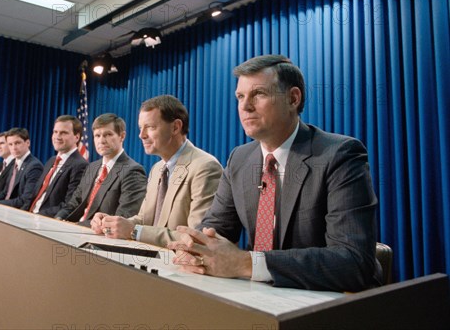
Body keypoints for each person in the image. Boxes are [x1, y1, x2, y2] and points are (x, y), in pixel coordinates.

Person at [168, 55, 382, 292]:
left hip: (322, 302)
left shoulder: (339, 155)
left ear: (293, 98)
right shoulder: (239, 159)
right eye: (240, 96)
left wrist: (246, 263)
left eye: (258, 94)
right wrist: (195, 245)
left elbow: (353, 262)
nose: (245, 106)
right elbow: (216, 227)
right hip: (255, 297)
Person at [91, 95, 222, 247]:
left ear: (175, 127)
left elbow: (197, 238)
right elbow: (144, 220)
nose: (141, 135)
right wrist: (112, 223)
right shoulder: (157, 169)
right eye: (141, 128)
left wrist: (134, 231)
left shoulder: (205, 167)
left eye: (150, 127)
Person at [54, 113, 146, 226]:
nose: (101, 141)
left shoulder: (133, 171)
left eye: (108, 134)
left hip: (97, 237)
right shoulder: (92, 167)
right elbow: (74, 203)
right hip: (75, 229)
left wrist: (77, 226)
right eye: (97, 135)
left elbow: (122, 219)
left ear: (122, 136)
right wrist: (58, 218)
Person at [26, 115, 88, 216]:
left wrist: (36, 216)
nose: (57, 137)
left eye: (63, 133)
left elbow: (69, 205)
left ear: (77, 137)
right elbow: (34, 194)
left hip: (46, 221)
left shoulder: (80, 165)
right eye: (55, 132)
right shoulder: (52, 160)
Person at [0, 127, 43, 208]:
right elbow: (5, 192)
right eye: (10, 144)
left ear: (27, 143)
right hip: (6, 207)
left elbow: (25, 200)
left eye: (17, 143)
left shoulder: (34, 166)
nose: (14, 148)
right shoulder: (14, 164)